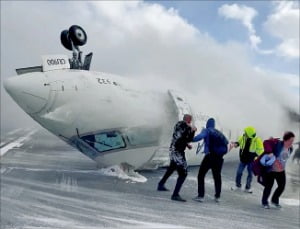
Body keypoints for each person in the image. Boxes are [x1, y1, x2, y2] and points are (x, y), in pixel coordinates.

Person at [157, 114, 196, 202]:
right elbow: (188, 138)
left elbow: (179, 137)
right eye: (191, 120)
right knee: (183, 173)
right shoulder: (186, 127)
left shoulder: (178, 124)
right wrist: (193, 131)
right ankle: (175, 194)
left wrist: (186, 145)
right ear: (189, 120)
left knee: (172, 167)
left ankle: (161, 184)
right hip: (178, 152)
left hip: (173, 149)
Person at [192, 118, 229, 203]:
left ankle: (201, 196)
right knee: (217, 177)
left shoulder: (207, 130)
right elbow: (226, 142)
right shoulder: (219, 133)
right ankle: (217, 196)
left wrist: (191, 139)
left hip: (210, 156)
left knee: (201, 175)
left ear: (207, 124)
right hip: (219, 158)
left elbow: (200, 137)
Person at [261, 131, 295, 209]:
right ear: (286, 139)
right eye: (290, 140)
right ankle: (264, 202)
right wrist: (270, 152)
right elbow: (266, 142)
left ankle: (274, 200)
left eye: (292, 140)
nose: (291, 142)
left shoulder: (291, 148)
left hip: (281, 171)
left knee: (281, 186)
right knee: (269, 186)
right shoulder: (278, 144)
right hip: (272, 170)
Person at [230, 126, 264, 193]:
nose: (244, 133)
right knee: (239, 172)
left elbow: (261, 151)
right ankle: (238, 185)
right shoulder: (243, 137)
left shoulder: (257, 140)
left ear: (249, 133)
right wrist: (235, 144)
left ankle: (247, 188)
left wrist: (255, 156)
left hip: (251, 161)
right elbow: (238, 143)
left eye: (246, 132)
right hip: (243, 160)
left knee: (250, 174)